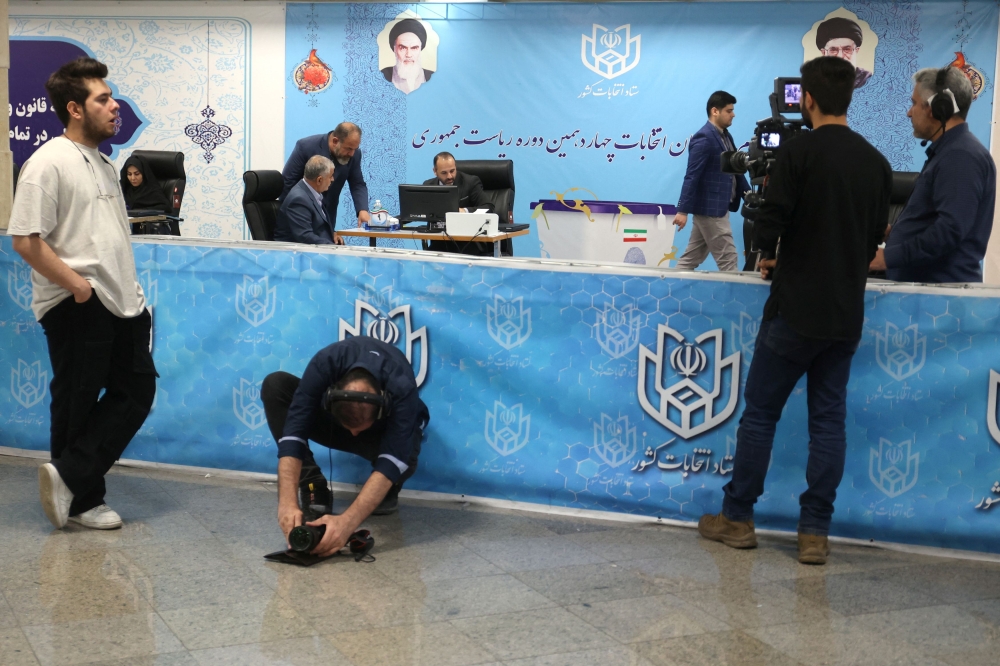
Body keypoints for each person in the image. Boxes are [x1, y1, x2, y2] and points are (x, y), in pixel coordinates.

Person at [698, 57, 892, 564]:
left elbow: (771, 219)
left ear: (807, 98)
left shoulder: (798, 153)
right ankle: (814, 534)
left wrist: (768, 255)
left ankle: (737, 519)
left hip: (793, 312)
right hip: (844, 315)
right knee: (828, 422)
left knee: (761, 415)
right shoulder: (876, 163)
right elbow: (874, 238)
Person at [8, 57, 157, 531]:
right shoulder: (47, 162)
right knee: (76, 400)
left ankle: (68, 476)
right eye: (103, 99)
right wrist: (77, 287)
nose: (115, 107)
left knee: (137, 389)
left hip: (122, 301)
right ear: (75, 108)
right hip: (78, 302)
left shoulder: (106, 164)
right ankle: (83, 501)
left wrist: (132, 292)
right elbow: (25, 240)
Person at [262, 337, 429, 556]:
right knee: (276, 385)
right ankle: (313, 485)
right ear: (329, 399)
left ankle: (387, 489)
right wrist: (287, 503)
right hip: (332, 424)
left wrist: (346, 523)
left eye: (358, 428)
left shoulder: (401, 385)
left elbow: (393, 461)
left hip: (381, 436)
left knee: (406, 456)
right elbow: (292, 438)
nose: (353, 435)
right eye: (350, 427)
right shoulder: (324, 363)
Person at [870, 67, 996, 283]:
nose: (910, 112)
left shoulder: (960, 157)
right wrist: (894, 232)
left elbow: (950, 230)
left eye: (914, 103)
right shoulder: (951, 152)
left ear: (937, 108)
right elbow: (937, 220)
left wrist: (887, 258)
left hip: (938, 298)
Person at [673, 91, 751, 272]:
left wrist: (748, 193)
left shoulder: (726, 135)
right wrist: (683, 210)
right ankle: (733, 299)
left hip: (717, 208)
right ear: (715, 111)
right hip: (711, 210)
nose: (734, 114)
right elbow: (692, 175)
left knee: (690, 259)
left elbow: (735, 170)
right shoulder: (704, 138)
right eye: (729, 111)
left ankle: (667, 291)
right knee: (729, 259)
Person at [280, 122, 370, 229]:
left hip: (328, 217)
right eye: (349, 149)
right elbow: (287, 182)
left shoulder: (354, 155)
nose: (352, 154)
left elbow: (357, 184)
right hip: (300, 216)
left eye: (355, 149)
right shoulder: (306, 147)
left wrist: (362, 209)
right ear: (335, 141)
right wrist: (292, 214)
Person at [274, 155, 345, 245]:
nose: (332, 179)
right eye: (330, 176)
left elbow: (319, 227)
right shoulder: (299, 200)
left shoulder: (312, 193)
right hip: (297, 254)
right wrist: (334, 248)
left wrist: (332, 234)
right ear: (319, 180)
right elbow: (305, 236)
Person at [815, 16, 872, 89]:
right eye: (833, 50)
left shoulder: (867, 80)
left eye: (847, 49)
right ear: (823, 53)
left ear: (856, 50)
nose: (840, 56)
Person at [381, 19, 433, 94]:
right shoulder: (382, 75)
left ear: (420, 49)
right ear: (395, 49)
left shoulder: (432, 77)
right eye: (403, 48)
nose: (408, 55)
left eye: (414, 48)